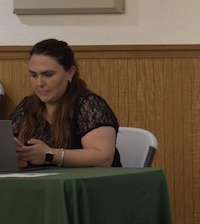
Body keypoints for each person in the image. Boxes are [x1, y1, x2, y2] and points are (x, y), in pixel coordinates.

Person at [10, 38, 121, 167]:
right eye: (34, 75)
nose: (39, 83)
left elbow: (103, 159)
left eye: (48, 74)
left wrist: (49, 155)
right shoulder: (28, 106)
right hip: (39, 183)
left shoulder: (88, 104)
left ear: (70, 73)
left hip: (86, 184)